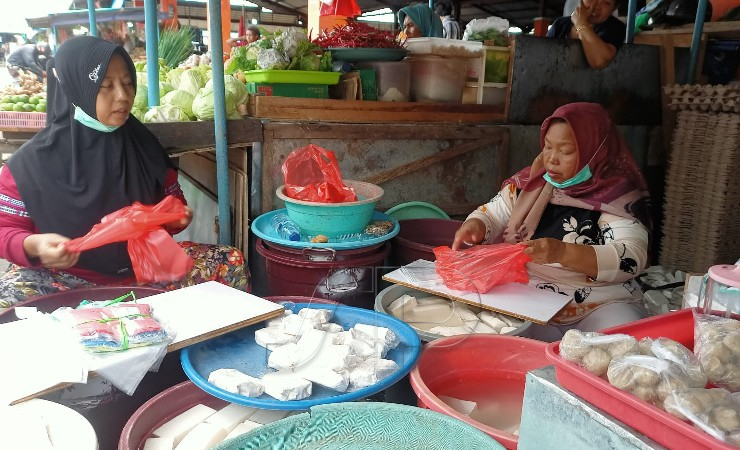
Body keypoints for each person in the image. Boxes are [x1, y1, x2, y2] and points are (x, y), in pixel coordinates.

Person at [0, 36, 250, 308]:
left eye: (128, 82)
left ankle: (200, 349)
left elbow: (174, 203)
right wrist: (34, 246)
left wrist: (175, 217)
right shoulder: (29, 165)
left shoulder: (144, 146)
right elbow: (5, 229)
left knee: (230, 262)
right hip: (67, 279)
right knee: (7, 299)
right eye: (105, 85)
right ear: (78, 88)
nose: (123, 95)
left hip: (146, 271)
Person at [452, 102, 652, 341]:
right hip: (530, 294)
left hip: (600, 302)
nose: (552, 160)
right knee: (496, 341)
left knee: (623, 343)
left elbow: (630, 257)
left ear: (595, 151)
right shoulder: (530, 183)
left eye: (566, 151)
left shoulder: (615, 196)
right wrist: (476, 226)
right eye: (547, 147)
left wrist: (563, 252)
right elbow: (493, 214)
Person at [546, 0, 626, 69]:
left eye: (606, 3)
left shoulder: (615, 27)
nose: (596, 6)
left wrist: (580, 22)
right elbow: (544, 56)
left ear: (614, 8)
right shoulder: (560, 24)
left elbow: (599, 61)